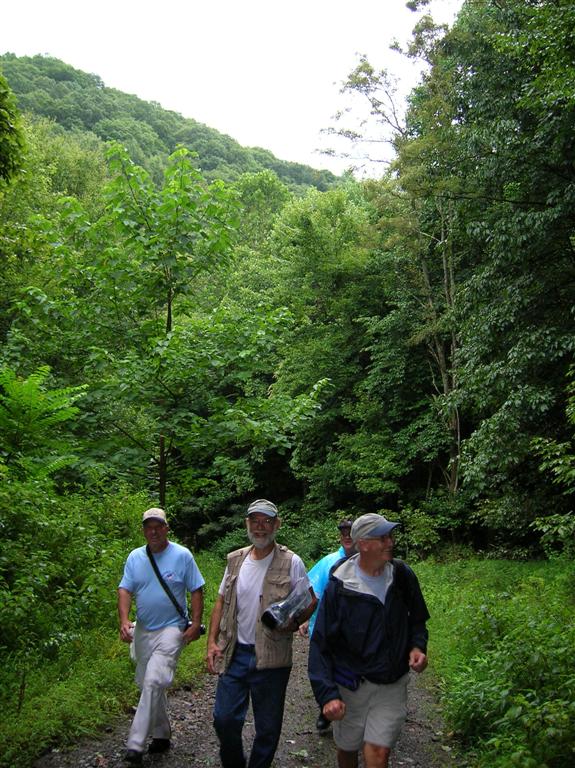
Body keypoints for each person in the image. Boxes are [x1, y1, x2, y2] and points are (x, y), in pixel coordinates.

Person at [308, 512, 430, 768]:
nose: (390, 543)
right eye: (383, 537)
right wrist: (327, 694)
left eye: (390, 536)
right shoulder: (339, 587)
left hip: (391, 683)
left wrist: (417, 646)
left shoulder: (402, 576)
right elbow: (320, 645)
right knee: (348, 749)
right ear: (363, 543)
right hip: (352, 687)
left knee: (378, 752)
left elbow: (417, 618)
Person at [206, 499, 317, 768]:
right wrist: (211, 642)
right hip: (235, 653)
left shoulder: (291, 562)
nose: (260, 527)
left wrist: (292, 623)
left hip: (271, 657)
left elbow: (311, 600)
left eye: (266, 521)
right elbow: (221, 601)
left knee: (267, 728)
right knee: (224, 719)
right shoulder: (235, 560)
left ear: (276, 524)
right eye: (255, 521)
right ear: (247, 524)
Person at [118, 507, 205, 765]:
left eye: (158, 526)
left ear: (167, 528)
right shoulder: (135, 557)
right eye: (149, 527)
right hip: (143, 629)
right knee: (148, 681)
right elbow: (124, 589)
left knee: (154, 681)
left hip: (172, 629)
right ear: (144, 530)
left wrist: (196, 623)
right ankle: (162, 734)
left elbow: (196, 589)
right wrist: (124, 620)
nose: (153, 531)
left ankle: (135, 744)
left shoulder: (182, 556)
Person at [298, 519, 356, 733]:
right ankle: (325, 709)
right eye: (343, 533)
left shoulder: (368, 562)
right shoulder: (329, 562)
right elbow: (313, 592)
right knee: (324, 670)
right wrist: (304, 618)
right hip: (325, 627)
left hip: (355, 632)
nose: (347, 536)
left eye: (351, 532)